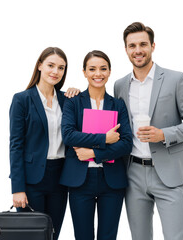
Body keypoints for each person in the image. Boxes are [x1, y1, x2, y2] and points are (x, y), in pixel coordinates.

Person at [114, 22, 183, 240]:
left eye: (143, 44)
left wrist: (164, 134)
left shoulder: (176, 79)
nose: (138, 50)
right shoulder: (119, 85)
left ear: (153, 46)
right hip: (133, 173)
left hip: (169, 173)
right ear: (125, 49)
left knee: (175, 237)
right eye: (132, 45)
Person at [60, 50, 133, 240]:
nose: (97, 74)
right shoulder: (73, 102)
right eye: (92, 69)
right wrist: (104, 139)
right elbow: (68, 136)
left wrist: (94, 152)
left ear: (109, 72)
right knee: (83, 236)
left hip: (112, 181)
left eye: (103, 69)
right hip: (80, 180)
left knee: (108, 236)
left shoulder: (118, 105)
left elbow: (126, 143)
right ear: (84, 72)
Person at [9, 47, 79, 240]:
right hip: (32, 181)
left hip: (60, 178)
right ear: (40, 65)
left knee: (52, 234)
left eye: (61, 68)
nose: (55, 71)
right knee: (31, 236)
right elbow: (16, 146)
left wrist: (78, 94)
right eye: (50, 65)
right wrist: (17, 188)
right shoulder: (22, 100)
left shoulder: (67, 101)